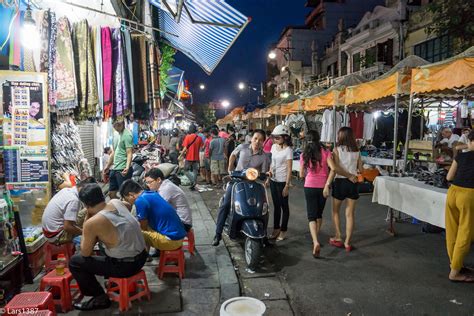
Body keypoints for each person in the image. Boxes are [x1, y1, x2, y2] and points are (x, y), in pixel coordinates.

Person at [70, 184, 147, 311]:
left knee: (76, 262)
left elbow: (85, 253)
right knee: (103, 244)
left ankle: (100, 298)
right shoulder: (117, 202)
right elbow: (128, 206)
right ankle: (110, 280)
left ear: (85, 205)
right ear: (102, 195)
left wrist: (87, 219)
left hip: (126, 267)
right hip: (142, 257)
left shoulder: (92, 222)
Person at [299, 130, 356, 258]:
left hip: (309, 186)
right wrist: (327, 184)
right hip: (323, 187)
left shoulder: (304, 154)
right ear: (319, 139)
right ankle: (317, 237)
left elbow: (302, 174)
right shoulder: (325, 152)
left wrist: (307, 172)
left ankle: (315, 241)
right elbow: (334, 169)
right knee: (319, 214)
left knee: (311, 216)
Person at [212, 130, 270, 246]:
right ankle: (217, 234)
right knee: (226, 204)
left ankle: (264, 235)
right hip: (236, 180)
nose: (257, 141)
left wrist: (266, 175)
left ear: (263, 142)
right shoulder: (242, 147)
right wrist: (230, 168)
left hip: (252, 182)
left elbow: (263, 173)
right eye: (255, 138)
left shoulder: (264, 156)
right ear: (251, 138)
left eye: (260, 140)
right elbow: (233, 155)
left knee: (263, 206)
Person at [120, 180, 187, 251]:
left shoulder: (140, 201)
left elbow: (143, 227)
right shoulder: (151, 193)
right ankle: (147, 254)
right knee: (144, 227)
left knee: (135, 232)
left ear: (131, 195)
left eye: (127, 199)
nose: (128, 202)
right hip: (179, 237)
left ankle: (143, 257)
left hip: (171, 241)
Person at [445, 130, 474, 283]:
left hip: (453, 192)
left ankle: (455, 264)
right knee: (465, 233)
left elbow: (448, 177)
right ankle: (455, 272)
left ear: (470, 141)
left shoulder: (461, 156)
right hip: (469, 195)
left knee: (452, 231)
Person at [329, 127, 361, 252]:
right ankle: (348, 242)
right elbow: (361, 170)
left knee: (335, 211)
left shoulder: (336, 150)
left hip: (340, 182)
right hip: (353, 183)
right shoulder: (357, 150)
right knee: (350, 214)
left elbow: (335, 168)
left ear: (340, 136)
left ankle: (338, 236)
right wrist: (352, 174)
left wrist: (347, 174)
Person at [42, 177, 97, 245]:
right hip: (57, 236)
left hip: (48, 232)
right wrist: (84, 232)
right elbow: (68, 227)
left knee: (88, 209)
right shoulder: (74, 200)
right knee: (91, 211)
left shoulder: (66, 190)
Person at [266, 125, 293, 241]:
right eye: (274, 137)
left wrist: (287, 185)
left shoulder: (289, 150)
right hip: (273, 180)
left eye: (277, 138)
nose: (275, 140)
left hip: (282, 182)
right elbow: (271, 163)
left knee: (284, 207)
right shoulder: (273, 147)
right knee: (276, 206)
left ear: (285, 137)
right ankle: (276, 228)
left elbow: (289, 169)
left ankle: (283, 230)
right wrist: (268, 178)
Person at [103, 119, 134, 199]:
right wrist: (108, 165)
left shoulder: (127, 135)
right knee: (111, 193)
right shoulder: (115, 134)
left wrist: (127, 167)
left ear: (123, 124)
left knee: (125, 195)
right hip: (114, 168)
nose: (116, 128)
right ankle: (118, 208)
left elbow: (129, 153)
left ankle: (126, 210)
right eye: (114, 126)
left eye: (118, 125)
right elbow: (114, 151)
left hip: (123, 169)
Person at [181, 124, 203, 190]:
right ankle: (194, 182)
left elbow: (185, 148)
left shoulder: (188, 137)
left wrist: (181, 155)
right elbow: (202, 147)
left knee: (185, 170)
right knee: (195, 170)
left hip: (189, 157)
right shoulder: (199, 138)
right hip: (196, 157)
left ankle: (193, 181)